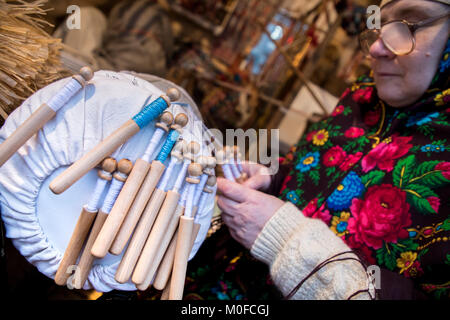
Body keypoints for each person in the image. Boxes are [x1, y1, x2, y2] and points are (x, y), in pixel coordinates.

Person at [183, 0, 450, 300]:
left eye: (409, 24)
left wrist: (285, 238)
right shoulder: (362, 96)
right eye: (380, 27)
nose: (376, 49)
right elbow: (310, 169)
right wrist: (272, 176)